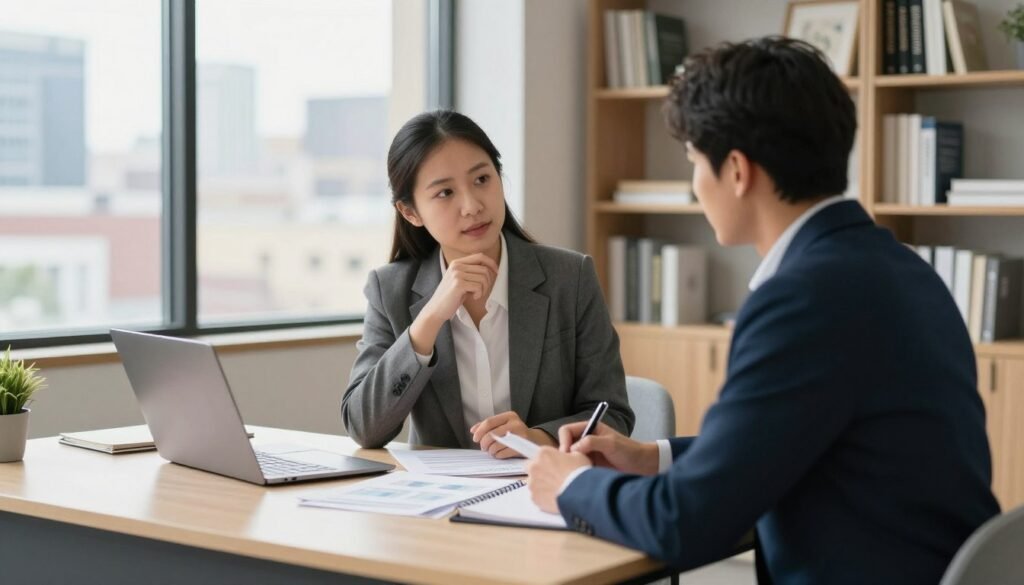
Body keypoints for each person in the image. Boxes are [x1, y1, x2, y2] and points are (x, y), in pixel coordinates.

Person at [525, 37, 999, 583]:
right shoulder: (898, 267)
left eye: (694, 163)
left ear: (737, 170)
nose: (695, 187)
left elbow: (687, 523)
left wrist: (569, 487)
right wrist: (651, 457)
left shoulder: (803, 299)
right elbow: (804, 435)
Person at [342, 110, 634, 456]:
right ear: (411, 212)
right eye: (445, 193)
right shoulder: (389, 289)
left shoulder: (570, 278)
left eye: (482, 179)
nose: (472, 206)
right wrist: (429, 320)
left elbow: (613, 415)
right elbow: (363, 427)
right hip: (436, 502)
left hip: (540, 488)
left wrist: (539, 438)